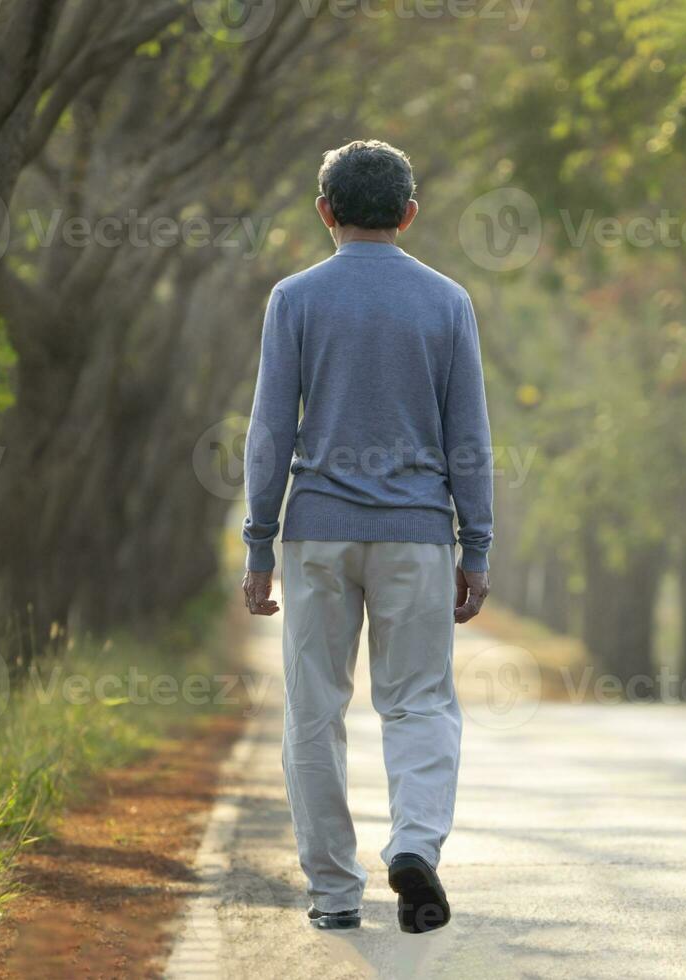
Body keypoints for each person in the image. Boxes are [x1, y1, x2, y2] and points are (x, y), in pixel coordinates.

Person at [240, 139, 492, 934]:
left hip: (316, 534)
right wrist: (474, 547)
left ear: (325, 213)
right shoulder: (447, 300)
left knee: (314, 712)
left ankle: (335, 893)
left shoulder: (295, 298)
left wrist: (258, 544)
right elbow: (468, 440)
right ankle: (413, 845)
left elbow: (269, 430)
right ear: (409, 214)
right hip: (416, 537)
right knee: (418, 704)